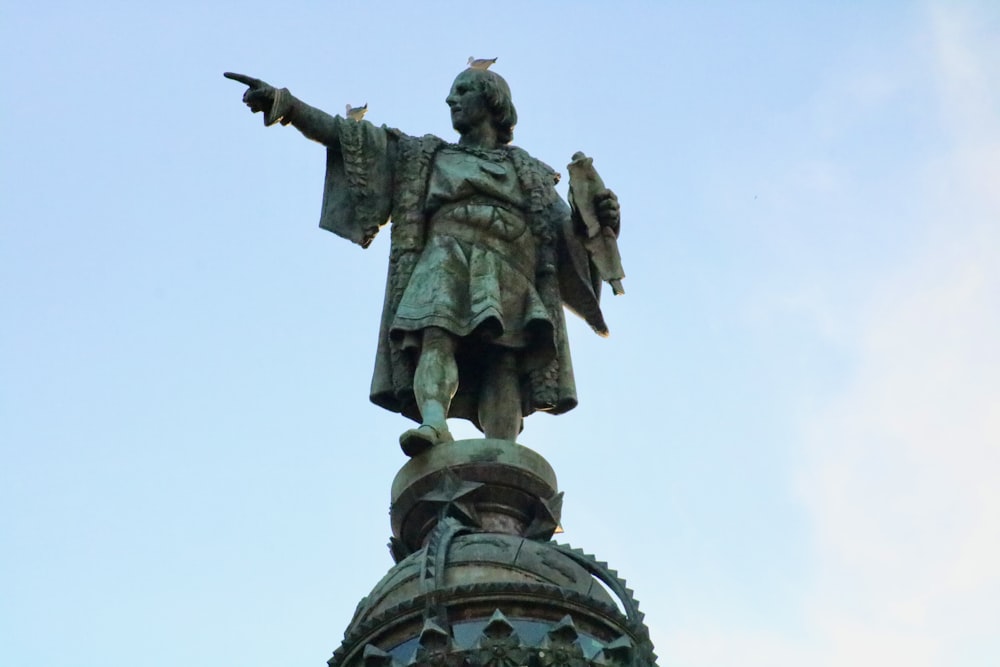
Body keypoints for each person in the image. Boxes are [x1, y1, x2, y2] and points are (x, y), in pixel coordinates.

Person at [225, 66, 622, 456]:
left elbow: (566, 238)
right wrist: (286, 105)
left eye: (463, 90)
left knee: (503, 359)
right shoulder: (425, 156)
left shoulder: (531, 174)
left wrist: (597, 218)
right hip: (447, 253)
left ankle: (502, 454)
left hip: (511, 265)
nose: (451, 99)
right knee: (435, 335)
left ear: (492, 101)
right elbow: (349, 137)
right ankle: (433, 422)